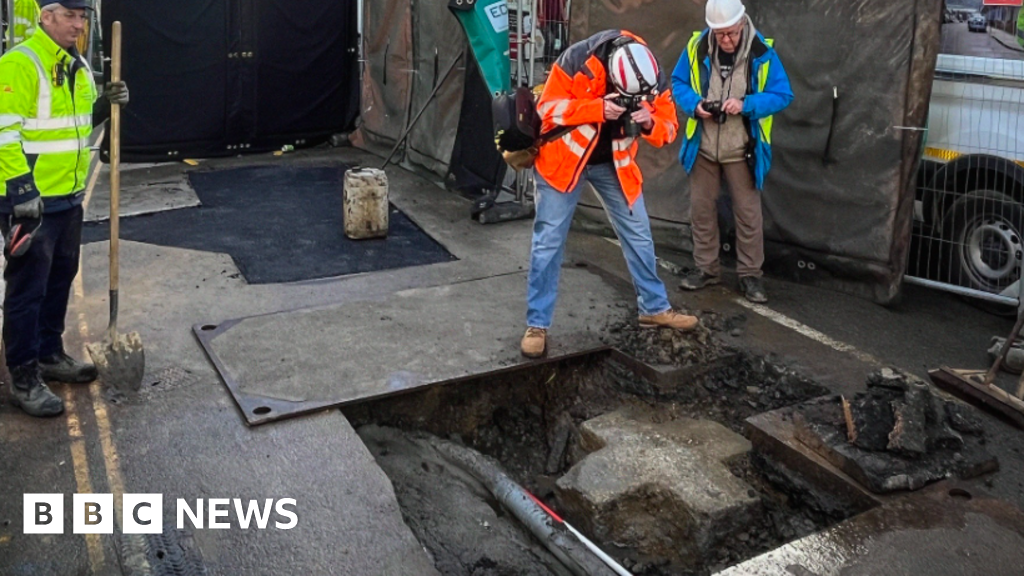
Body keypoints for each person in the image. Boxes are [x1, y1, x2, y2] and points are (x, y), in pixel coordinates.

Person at [521, 30, 699, 359]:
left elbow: (669, 127)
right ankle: (537, 324)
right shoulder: (577, 60)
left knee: (639, 233)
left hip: (613, 165)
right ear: (613, 76)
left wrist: (648, 123)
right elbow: (547, 112)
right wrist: (596, 108)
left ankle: (654, 308)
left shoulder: (650, 71)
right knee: (548, 241)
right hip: (562, 162)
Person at [0, 0, 129, 417]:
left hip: (68, 196)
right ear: (46, 16)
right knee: (27, 288)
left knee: (59, 280)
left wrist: (106, 102)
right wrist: (22, 192)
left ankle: (48, 353)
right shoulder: (20, 62)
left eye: (83, 17)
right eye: (71, 16)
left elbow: (74, 127)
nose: (79, 24)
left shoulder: (76, 65)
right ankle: (22, 376)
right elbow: (4, 133)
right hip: (30, 203)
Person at [672, 0, 793, 303]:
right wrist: (694, 105)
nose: (725, 40)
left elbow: (782, 94)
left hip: (742, 148)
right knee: (701, 211)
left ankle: (751, 276)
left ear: (742, 24)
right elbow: (677, 83)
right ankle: (706, 269)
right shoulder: (696, 47)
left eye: (731, 34)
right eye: (719, 34)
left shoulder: (762, 53)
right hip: (703, 146)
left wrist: (746, 105)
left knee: (748, 215)